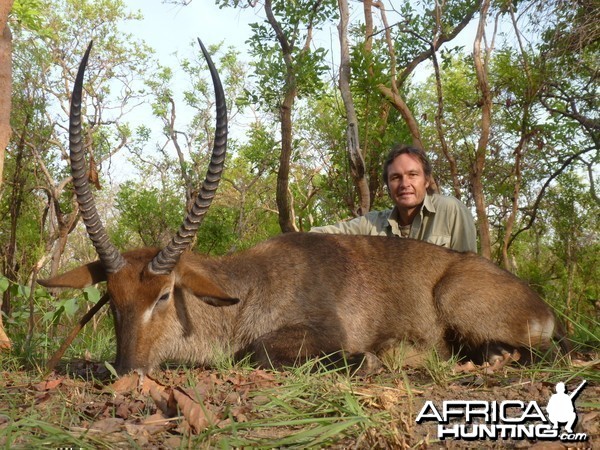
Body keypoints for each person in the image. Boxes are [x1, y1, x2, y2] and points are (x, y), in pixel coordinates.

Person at [311, 144, 477, 253]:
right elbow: (321, 236)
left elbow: (469, 273)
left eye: (413, 175)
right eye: (396, 177)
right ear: (388, 185)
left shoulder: (451, 210)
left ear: (426, 181)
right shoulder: (373, 223)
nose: (405, 184)